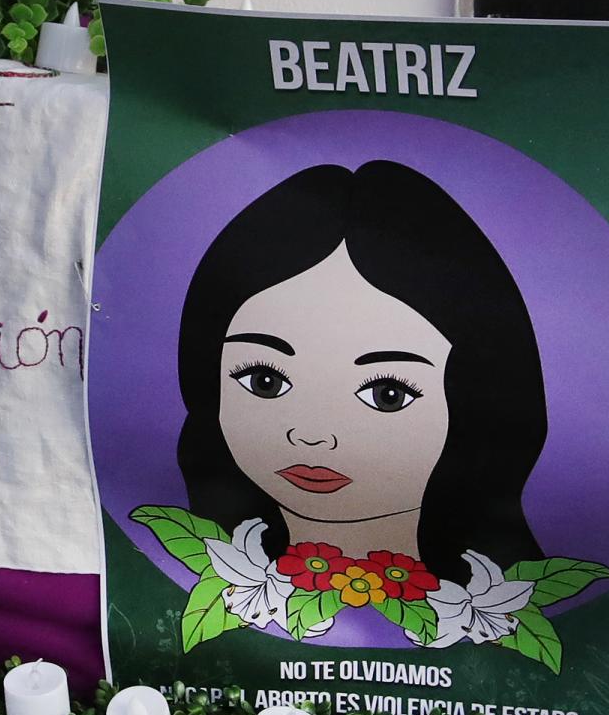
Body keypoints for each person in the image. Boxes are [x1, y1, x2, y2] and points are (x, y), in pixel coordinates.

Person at [171, 159, 546, 588]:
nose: (312, 435)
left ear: (477, 398)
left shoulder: (500, 607)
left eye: (389, 393)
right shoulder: (198, 570)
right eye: (265, 381)